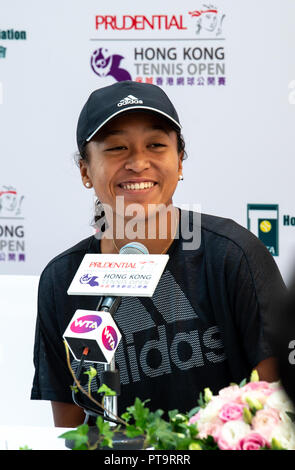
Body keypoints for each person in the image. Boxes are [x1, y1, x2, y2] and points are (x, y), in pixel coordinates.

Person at [31, 80, 286, 428]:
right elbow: (73, 428)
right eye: (117, 147)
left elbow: (275, 414)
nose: (138, 163)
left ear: (179, 161)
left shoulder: (231, 256)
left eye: (155, 145)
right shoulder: (62, 280)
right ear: (85, 170)